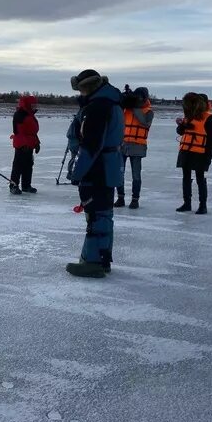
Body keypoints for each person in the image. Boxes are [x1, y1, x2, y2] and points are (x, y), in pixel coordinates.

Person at [66, 69, 124, 278]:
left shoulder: (97, 108)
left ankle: (92, 261)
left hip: (97, 169)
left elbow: (91, 146)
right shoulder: (112, 104)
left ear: (86, 87)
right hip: (109, 167)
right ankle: (103, 258)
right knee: (105, 213)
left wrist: (77, 173)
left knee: (95, 213)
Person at [176, 92, 212, 214]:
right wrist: (182, 125)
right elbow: (180, 132)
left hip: (200, 153)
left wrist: (208, 157)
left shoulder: (209, 118)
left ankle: (202, 205)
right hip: (186, 151)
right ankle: (187, 203)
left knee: (200, 178)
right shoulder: (189, 115)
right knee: (186, 178)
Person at [115, 87, 154, 209]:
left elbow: (144, 122)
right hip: (123, 145)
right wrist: (123, 100)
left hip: (138, 146)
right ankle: (120, 198)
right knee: (118, 173)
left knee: (136, 175)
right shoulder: (126, 109)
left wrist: (134, 107)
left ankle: (135, 199)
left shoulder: (148, 112)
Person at [9, 95, 40, 195]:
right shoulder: (20, 115)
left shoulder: (29, 114)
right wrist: (24, 144)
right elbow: (18, 131)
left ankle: (26, 185)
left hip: (29, 144)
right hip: (21, 144)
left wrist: (37, 143)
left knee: (28, 165)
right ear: (28, 104)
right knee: (18, 166)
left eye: (35, 104)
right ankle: (13, 185)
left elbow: (32, 131)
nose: (35, 106)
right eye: (33, 105)